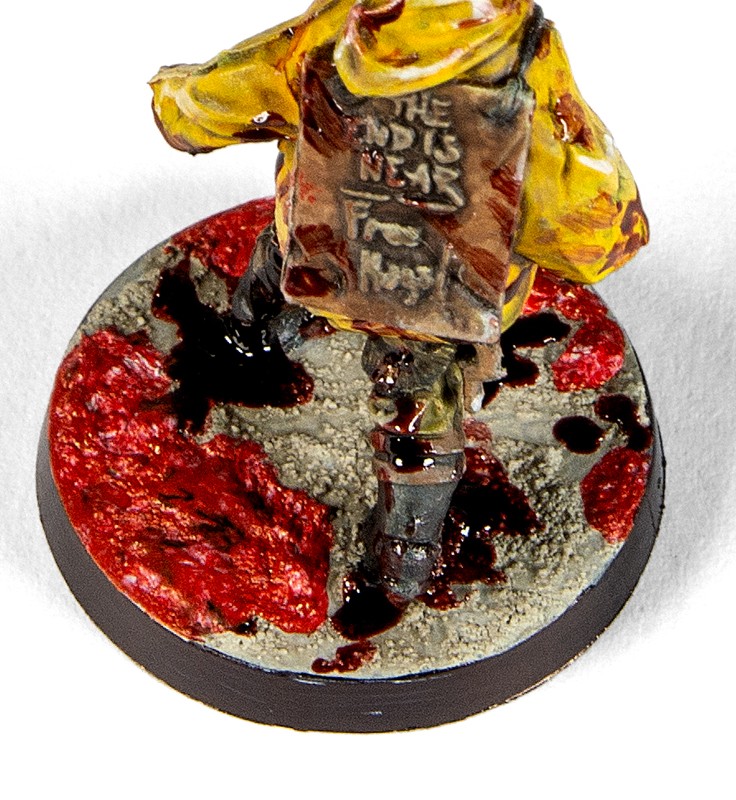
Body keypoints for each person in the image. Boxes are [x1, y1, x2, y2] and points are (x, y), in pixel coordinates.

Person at [150, 0, 648, 601]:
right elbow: (592, 228)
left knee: (274, 275)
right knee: (423, 416)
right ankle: (404, 562)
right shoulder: (523, 67)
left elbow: (228, 93)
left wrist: (179, 106)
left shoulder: (330, 37)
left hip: (318, 250)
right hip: (439, 307)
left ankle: (244, 345)